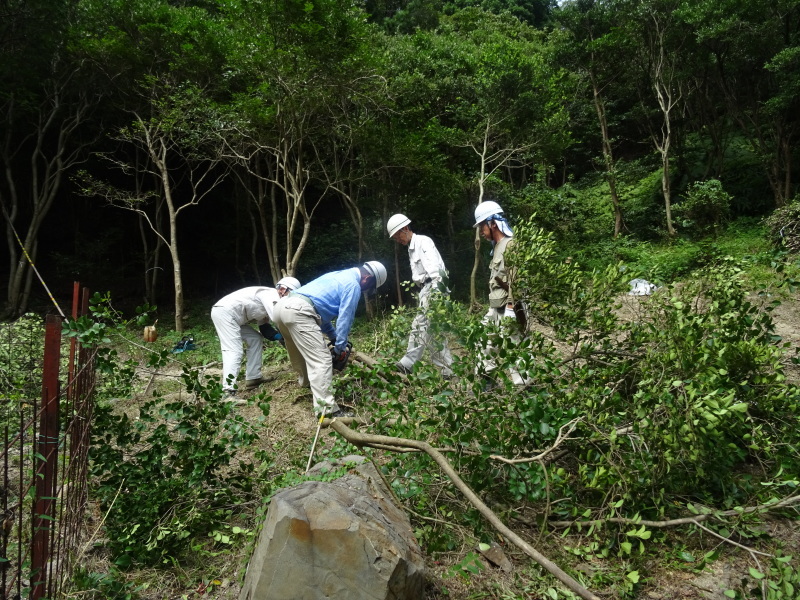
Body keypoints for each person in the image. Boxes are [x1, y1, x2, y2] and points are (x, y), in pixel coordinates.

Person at [273, 261, 387, 418]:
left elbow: (320, 313)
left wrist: (333, 338)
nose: (366, 290)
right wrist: (340, 347)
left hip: (282, 308)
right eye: (369, 287)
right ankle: (326, 410)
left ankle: (306, 382)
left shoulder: (337, 275)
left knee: (296, 350)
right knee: (322, 360)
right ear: (367, 278)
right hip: (299, 311)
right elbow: (345, 318)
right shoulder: (353, 285)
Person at [386, 213, 453, 378]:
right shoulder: (411, 248)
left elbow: (436, 270)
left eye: (397, 236)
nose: (398, 240)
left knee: (419, 324)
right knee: (433, 333)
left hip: (434, 286)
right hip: (426, 288)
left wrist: (436, 295)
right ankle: (448, 371)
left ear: (405, 228)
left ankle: (407, 364)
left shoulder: (423, 242)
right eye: (394, 238)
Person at [211, 277, 301, 398]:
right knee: (234, 350)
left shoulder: (268, 302)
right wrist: (290, 338)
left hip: (235, 318)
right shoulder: (271, 295)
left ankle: (253, 378)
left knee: (255, 338)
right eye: (291, 294)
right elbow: (278, 319)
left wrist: (280, 337)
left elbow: (265, 329)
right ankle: (228, 392)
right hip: (225, 313)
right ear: (283, 289)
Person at [474, 200, 529, 386]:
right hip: (496, 307)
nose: (481, 230)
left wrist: (512, 308)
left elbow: (517, 280)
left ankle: (525, 389)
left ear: (493, 223)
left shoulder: (511, 245)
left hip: (511, 307)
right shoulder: (496, 247)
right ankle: (487, 382)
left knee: (517, 348)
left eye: (482, 225)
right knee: (484, 340)